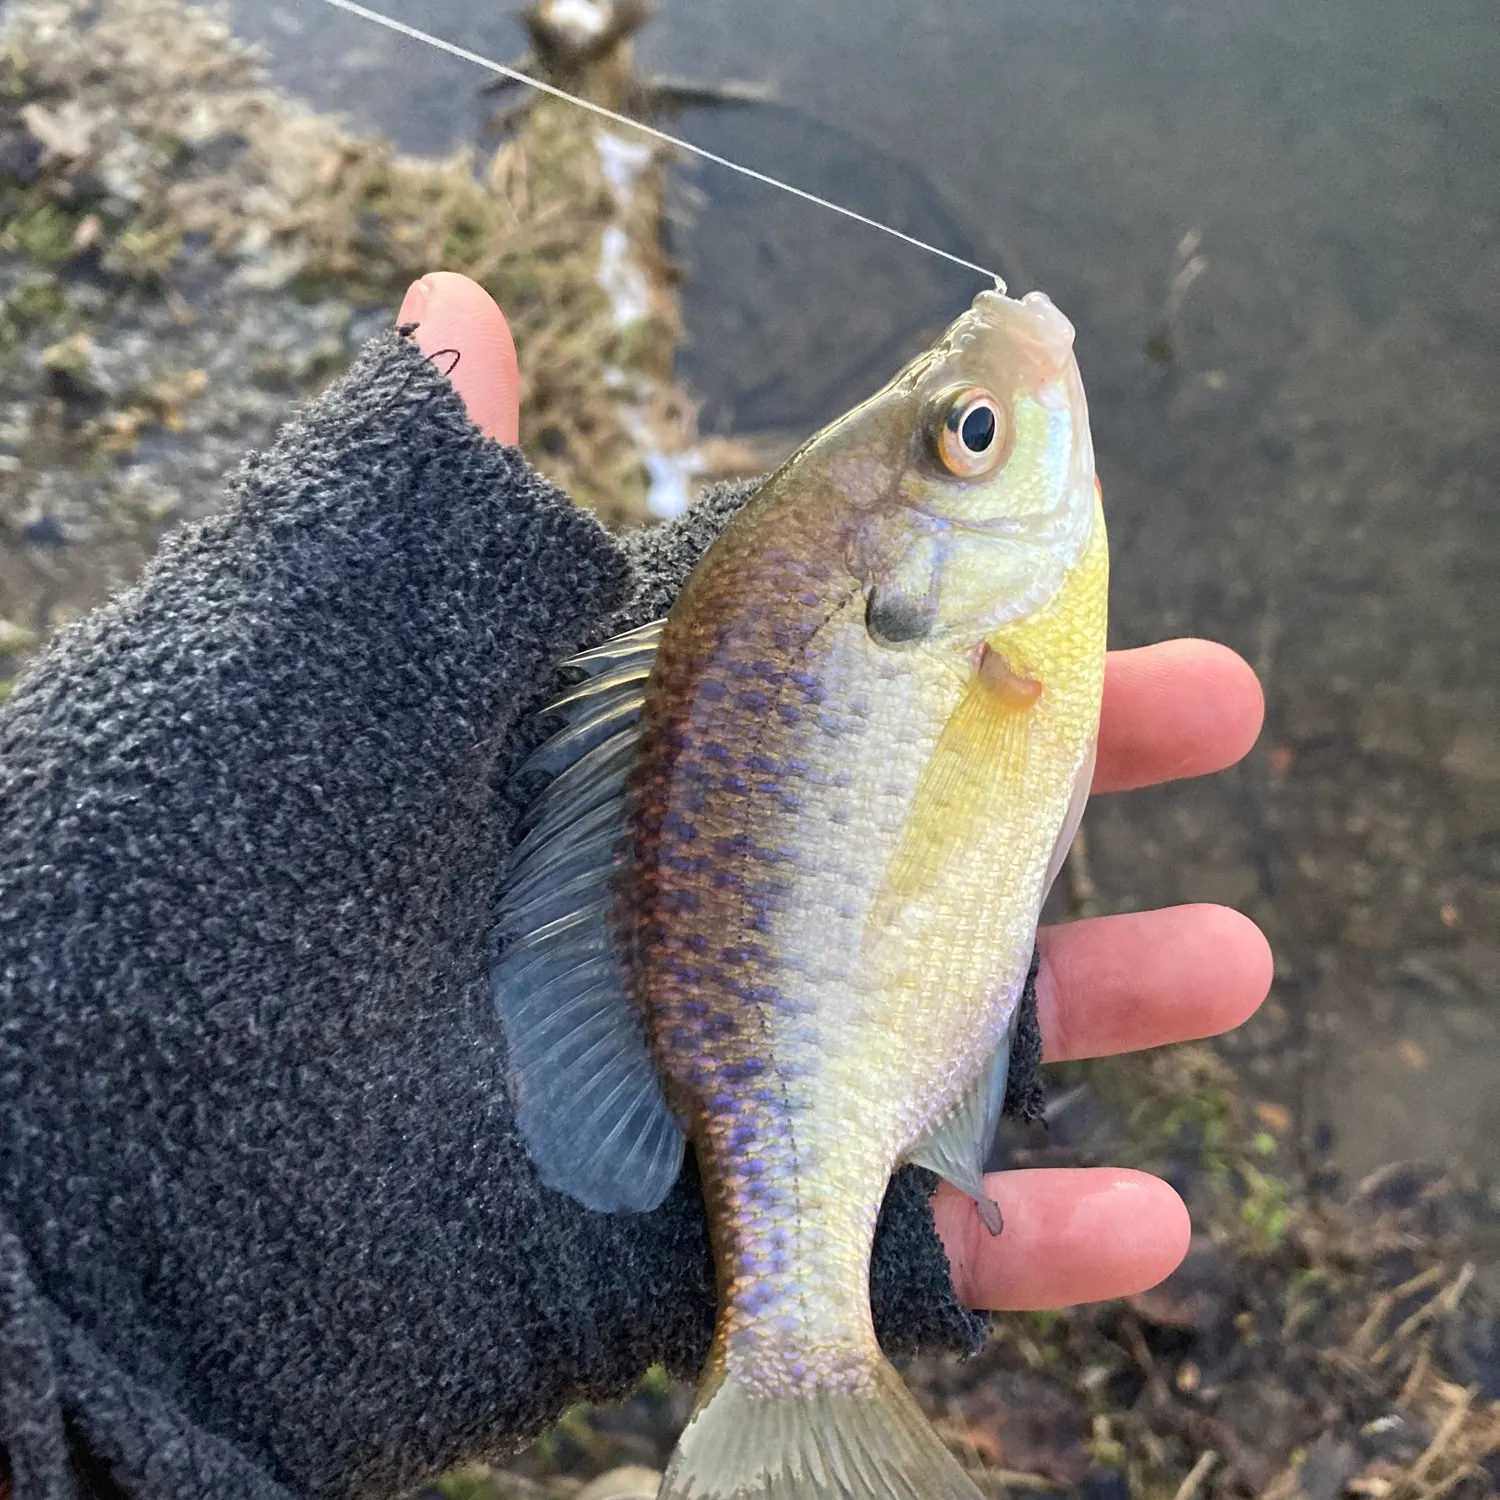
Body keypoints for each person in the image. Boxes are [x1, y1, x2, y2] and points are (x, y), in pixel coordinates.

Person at [0, 272, 1271, 1500]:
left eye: (966, 428)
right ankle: (798, 1366)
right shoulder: (983, 631)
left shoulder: (957, 616)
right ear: (902, 578)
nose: (992, 410)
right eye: (973, 436)